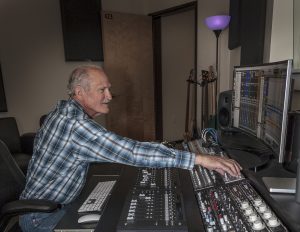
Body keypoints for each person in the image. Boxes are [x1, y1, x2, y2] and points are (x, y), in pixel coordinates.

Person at [19, 65, 242, 231]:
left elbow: (114, 147)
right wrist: (199, 159)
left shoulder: (62, 112)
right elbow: (131, 151)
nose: (109, 96)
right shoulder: (75, 126)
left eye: (109, 89)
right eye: (101, 90)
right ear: (79, 93)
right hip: (43, 216)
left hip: (54, 204)